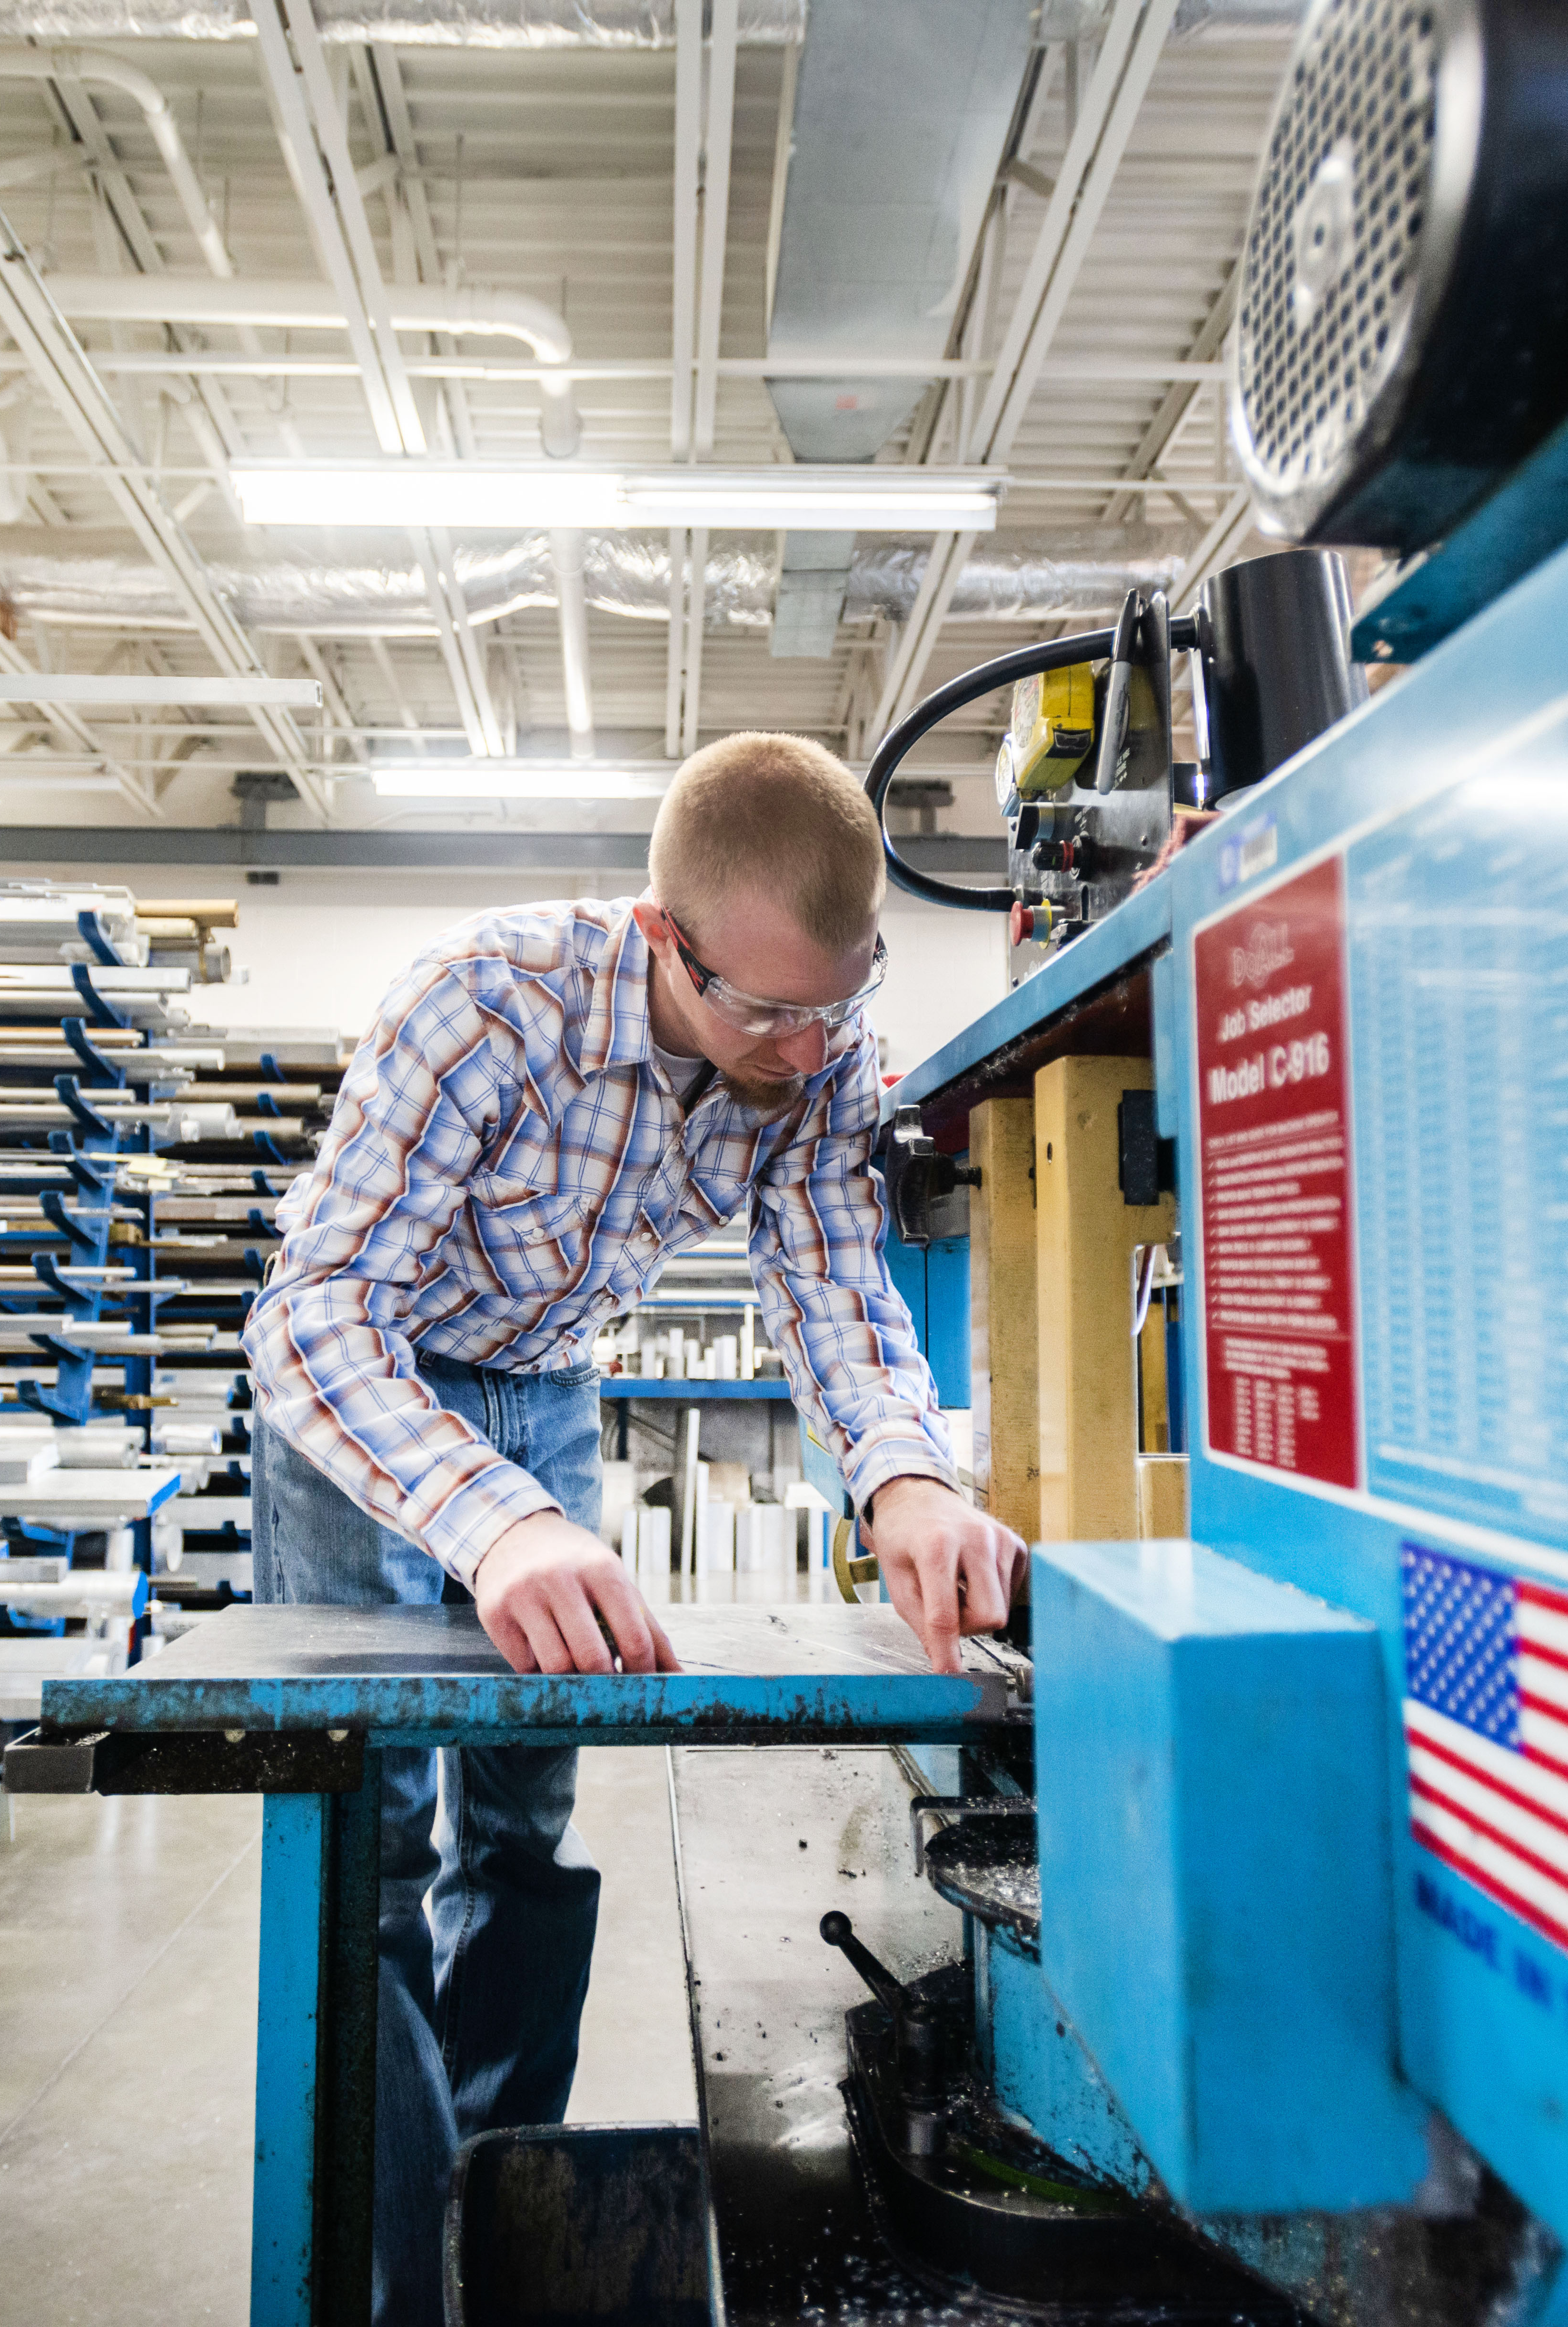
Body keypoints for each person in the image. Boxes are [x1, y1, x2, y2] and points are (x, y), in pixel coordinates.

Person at [243, 729, 1030, 2325]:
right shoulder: (484, 1003)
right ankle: (399, 2284)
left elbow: (830, 1290)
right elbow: (312, 1314)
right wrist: (499, 1525)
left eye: (840, 1002)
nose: (810, 1051)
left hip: (541, 1388)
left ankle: (491, 2192)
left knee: (524, 1837)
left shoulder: (818, 1047)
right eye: (767, 1012)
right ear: (664, 942)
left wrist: (908, 1478)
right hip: (374, 1400)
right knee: (373, 1850)